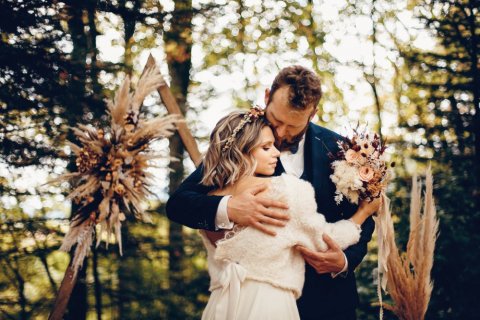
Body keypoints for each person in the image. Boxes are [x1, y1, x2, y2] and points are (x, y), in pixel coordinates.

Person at [167, 65, 376, 319]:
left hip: (330, 303)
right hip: (256, 305)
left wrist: (343, 261)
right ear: (267, 97)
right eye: (276, 120)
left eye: (293, 127)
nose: (280, 134)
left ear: (313, 114)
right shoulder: (244, 142)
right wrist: (230, 208)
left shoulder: (342, 150)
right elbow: (178, 204)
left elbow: (365, 218)